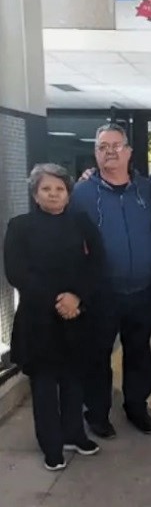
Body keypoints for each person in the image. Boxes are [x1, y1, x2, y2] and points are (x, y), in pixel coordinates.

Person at [3, 164, 104, 470]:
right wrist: (56, 300)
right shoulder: (19, 226)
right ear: (35, 194)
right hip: (38, 319)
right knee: (45, 385)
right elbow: (16, 272)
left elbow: (97, 262)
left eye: (59, 188)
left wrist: (77, 297)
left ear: (68, 194)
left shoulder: (81, 222)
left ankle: (74, 434)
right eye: (46, 189)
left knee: (74, 379)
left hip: (76, 315)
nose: (53, 194)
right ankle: (51, 445)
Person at [72, 124, 151, 439]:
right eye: (102, 146)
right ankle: (96, 413)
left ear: (129, 152)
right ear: (95, 153)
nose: (110, 151)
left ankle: (136, 406)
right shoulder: (81, 192)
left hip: (142, 289)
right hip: (100, 291)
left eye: (116, 145)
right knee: (97, 354)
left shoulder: (147, 190)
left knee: (138, 351)